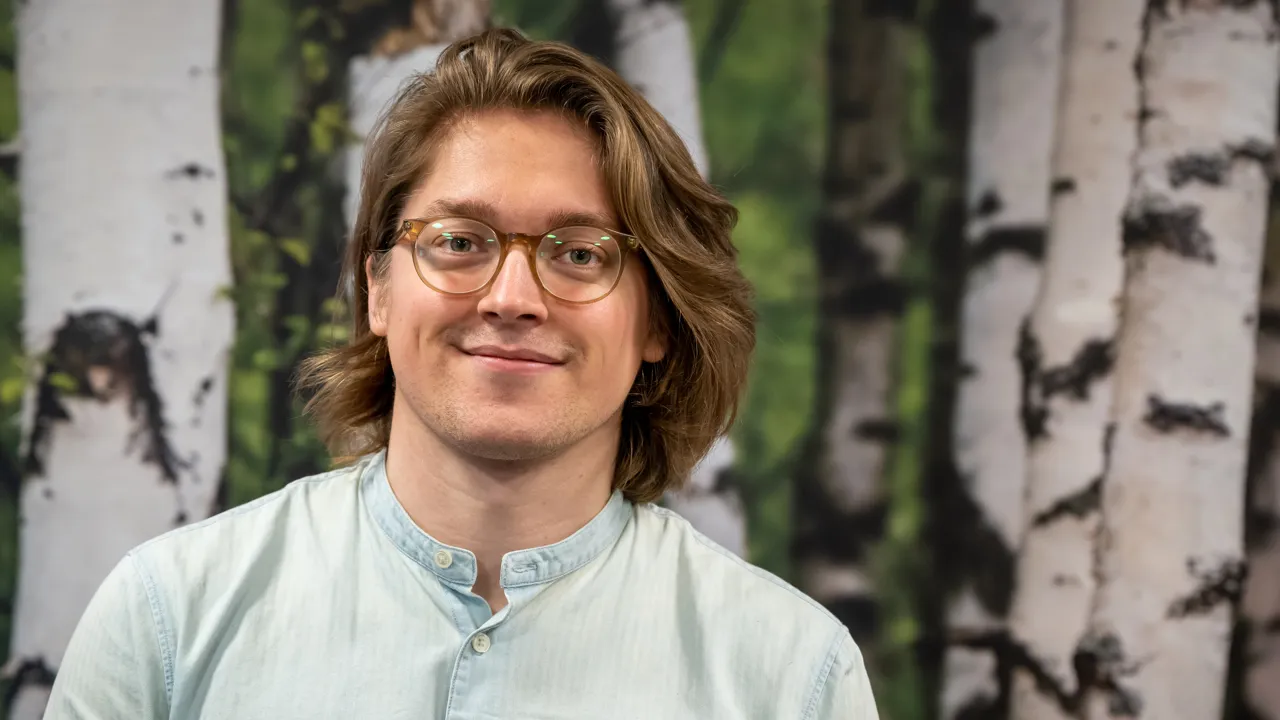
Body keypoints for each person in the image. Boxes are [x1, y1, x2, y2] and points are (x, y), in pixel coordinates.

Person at [46, 28, 878, 719]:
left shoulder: (790, 677)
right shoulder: (166, 620)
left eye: (581, 254)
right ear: (377, 286)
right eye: (459, 241)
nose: (512, 298)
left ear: (657, 319)